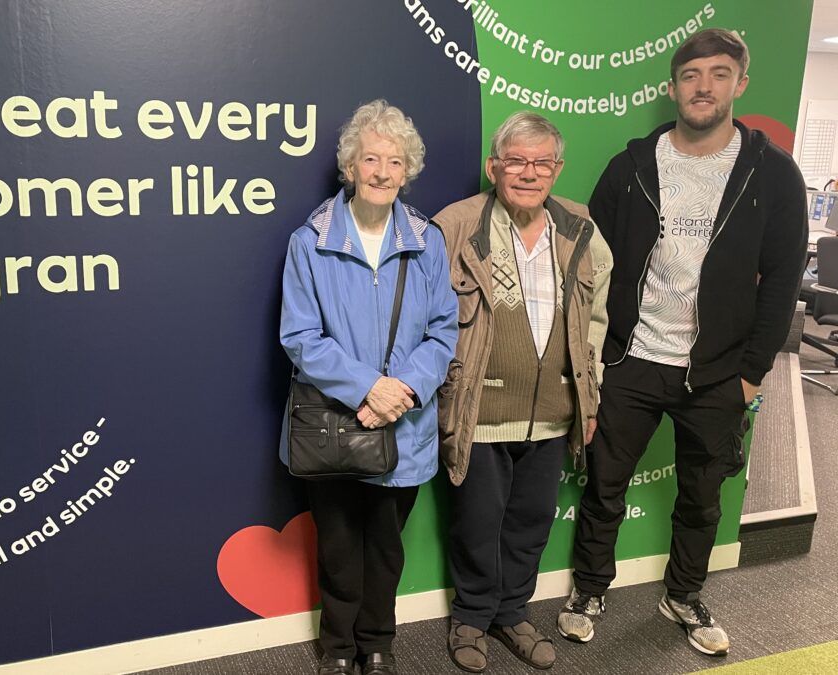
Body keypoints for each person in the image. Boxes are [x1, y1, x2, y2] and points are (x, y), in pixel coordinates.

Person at [558, 29, 808, 656]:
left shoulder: (772, 173)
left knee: (701, 498)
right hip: (632, 358)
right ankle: (589, 589)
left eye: (719, 74)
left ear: (739, 84)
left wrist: (752, 372)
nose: (704, 87)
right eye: (692, 75)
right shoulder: (633, 166)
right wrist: (597, 355)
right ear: (673, 87)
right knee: (604, 488)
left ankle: (684, 594)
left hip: (721, 373)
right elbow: (593, 263)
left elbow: (782, 279)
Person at [279, 100, 458, 675]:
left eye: (395, 161)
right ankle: (336, 648)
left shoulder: (427, 241)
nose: (382, 171)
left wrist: (399, 390)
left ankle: (377, 644)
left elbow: (443, 330)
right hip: (333, 423)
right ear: (350, 167)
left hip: (403, 423)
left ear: (407, 173)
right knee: (337, 547)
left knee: (385, 547)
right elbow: (300, 335)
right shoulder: (310, 241)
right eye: (371, 159)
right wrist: (367, 390)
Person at [433, 111, 612, 672]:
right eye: (516, 160)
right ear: (494, 166)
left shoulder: (581, 228)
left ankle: (512, 614)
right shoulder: (455, 225)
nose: (529, 172)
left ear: (557, 170)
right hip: (479, 411)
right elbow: (427, 320)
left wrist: (591, 396)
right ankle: (471, 617)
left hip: (555, 413)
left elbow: (597, 322)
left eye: (542, 162)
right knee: (476, 524)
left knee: (531, 523)